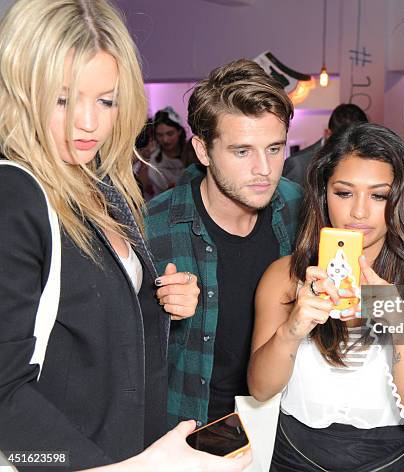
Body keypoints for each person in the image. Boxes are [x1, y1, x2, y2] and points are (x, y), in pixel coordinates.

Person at [0, 1, 250, 470]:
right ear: (21, 91)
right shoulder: (15, 195)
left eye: (106, 100)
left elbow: (85, 327)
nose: (89, 122)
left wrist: (162, 301)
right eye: (63, 98)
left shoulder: (102, 182)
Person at [248, 122, 404, 471]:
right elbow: (260, 389)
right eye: (344, 193)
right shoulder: (285, 276)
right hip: (294, 457)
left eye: (379, 195)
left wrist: (398, 320)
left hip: (389, 459)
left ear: (401, 199)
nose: (359, 212)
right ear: (323, 194)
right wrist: (292, 329)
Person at [145, 59, 303, 429]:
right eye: (242, 151)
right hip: (191, 429)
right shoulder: (153, 227)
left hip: (286, 422)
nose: (264, 168)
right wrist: (158, 312)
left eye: (275, 148)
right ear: (202, 151)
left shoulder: (300, 207)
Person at [282, 103, 368, 187]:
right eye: (343, 141)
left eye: (359, 142)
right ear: (327, 134)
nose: (351, 148)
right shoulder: (298, 165)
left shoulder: (365, 161)